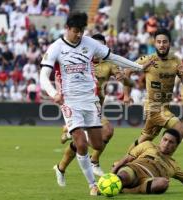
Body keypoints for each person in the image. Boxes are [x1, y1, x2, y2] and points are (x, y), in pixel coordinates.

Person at [40, 12, 149, 195]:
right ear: (67, 29)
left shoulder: (90, 43)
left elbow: (113, 57)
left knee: (97, 144)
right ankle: (92, 185)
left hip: (90, 101)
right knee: (82, 144)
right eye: (76, 31)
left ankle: (63, 159)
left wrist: (138, 67)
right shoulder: (56, 48)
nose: (79, 35)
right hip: (70, 101)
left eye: (82, 31)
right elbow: (43, 75)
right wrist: (53, 93)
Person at [56, 33, 133, 181]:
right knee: (85, 142)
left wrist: (126, 94)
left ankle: (86, 161)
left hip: (95, 110)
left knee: (105, 133)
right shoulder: (80, 62)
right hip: (77, 107)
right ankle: (65, 167)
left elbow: (123, 78)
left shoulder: (109, 64)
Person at [124, 28, 183, 150]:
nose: (162, 45)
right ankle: (161, 159)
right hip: (153, 107)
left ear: (169, 43)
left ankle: (119, 164)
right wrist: (126, 95)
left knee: (143, 140)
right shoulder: (149, 60)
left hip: (164, 107)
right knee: (180, 129)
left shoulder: (175, 60)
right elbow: (127, 70)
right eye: (159, 42)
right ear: (154, 43)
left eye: (164, 42)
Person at [112, 129, 183, 194]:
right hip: (135, 169)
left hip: (148, 180)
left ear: (176, 146)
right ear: (161, 140)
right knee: (124, 175)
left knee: (163, 183)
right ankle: (111, 184)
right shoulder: (147, 145)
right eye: (165, 140)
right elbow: (126, 159)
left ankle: (126, 190)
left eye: (171, 142)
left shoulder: (174, 165)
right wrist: (112, 174)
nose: (166, 144)